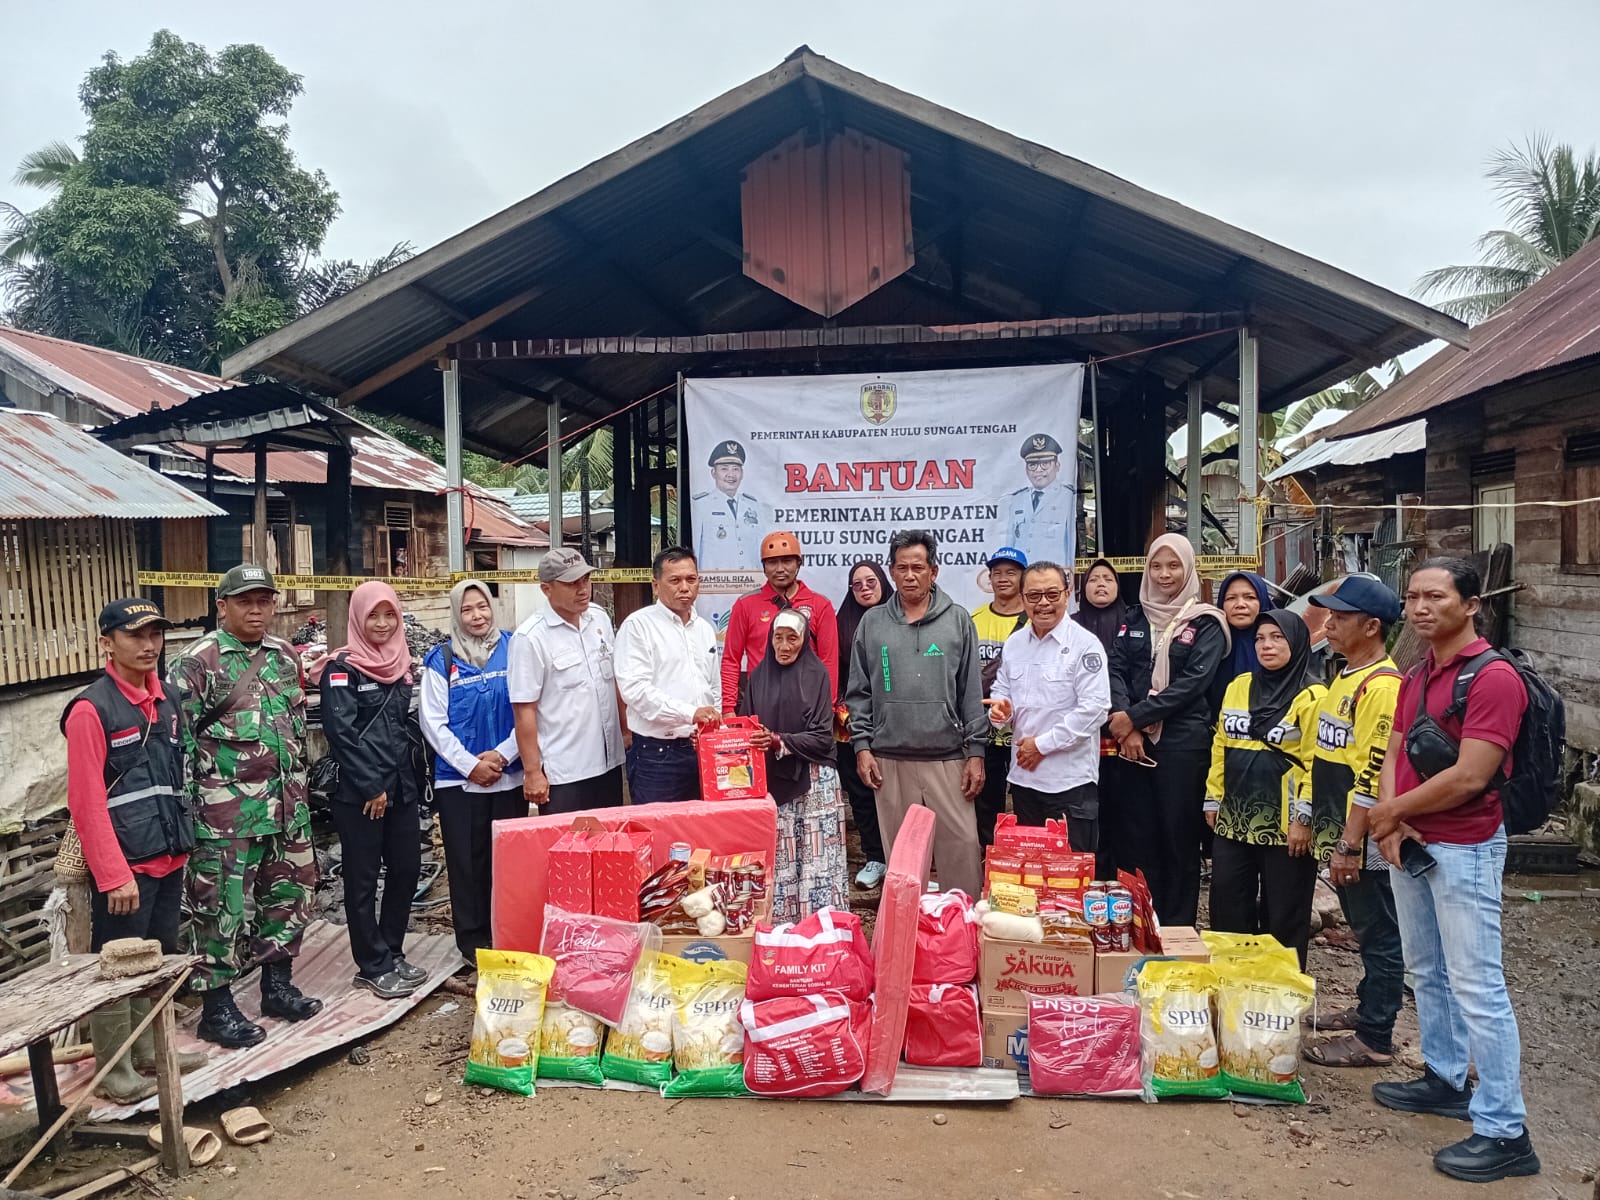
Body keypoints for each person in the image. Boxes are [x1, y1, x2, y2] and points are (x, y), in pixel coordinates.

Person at [1367, 558, 1540, 1183]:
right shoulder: (1418, 673)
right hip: (1413, 842)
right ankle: (1444, 1077)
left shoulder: (1492, 679)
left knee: (1478, 986)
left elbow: (1473, 775)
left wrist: (1389, 813)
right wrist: (1394, 818)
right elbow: (1394, 747)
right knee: (1427, 971)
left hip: (1465, 847)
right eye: (1412, 596)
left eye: (1435, 596)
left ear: (1470, 604)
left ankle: (1505, 1129)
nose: (1419, 607)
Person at [170, 564, 321, 1049]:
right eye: (244, 601)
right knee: (221, 910)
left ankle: (276, 987)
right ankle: (216, 1008)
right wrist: (189, 813)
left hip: (286, 808)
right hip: (225, 816)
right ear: (222, 606)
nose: (257, 610)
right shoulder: (197, 662)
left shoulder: (282, 655)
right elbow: (180, 745)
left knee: (287, 899)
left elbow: (294, 728)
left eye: (264, 600)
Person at [64, 599, 206, 1101]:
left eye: (156, 634)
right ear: (108, 642)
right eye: (135, 635)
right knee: (118, 966)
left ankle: (149, 1051)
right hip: (126, 864)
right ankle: (114, 1070)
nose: (149, 645)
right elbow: (84, 802)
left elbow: (175, 777)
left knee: (159, 958)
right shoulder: (90, 710)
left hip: (169, 853)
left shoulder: (167, 698)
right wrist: (112, 873)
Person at [845, 530, 988, 898]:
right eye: (902, 567)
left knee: (962, 855)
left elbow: (971, 692)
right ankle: (909, 944)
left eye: (918, 567)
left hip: (949, 758)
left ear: (933, 571)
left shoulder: (957, 620)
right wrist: (862, 747)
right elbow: (858, 693)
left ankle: (962, 937)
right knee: (904, 868)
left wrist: (976, 753)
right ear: (891, 572)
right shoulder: (873, 623)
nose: (910, 575)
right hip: (890, 759)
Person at [1301, 575, 1406, 1071]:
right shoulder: (1344, 676)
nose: (1330, 623)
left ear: (1372, 626)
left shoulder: (1381, 687)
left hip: (1359, 839)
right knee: (1367, 928)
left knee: (1381, 934)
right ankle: (1367, 1010)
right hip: (1337, 831)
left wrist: (1350, 844)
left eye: (1341, 617)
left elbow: (1371, 772)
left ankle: (1376, 1037)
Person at [1107, 535, 1230, 925]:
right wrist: (1127, 727)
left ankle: (1177, 931)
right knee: (1137, 838)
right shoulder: (1134, 617)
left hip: (1182, 745)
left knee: (1178, 841)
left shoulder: (1207, 622)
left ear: (1188, 569)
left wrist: (1135, 718)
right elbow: (1116, 670)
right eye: (1157, 566)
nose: (1164, 574)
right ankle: (1142, 925)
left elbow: (1193, 683)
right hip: (1133, 745)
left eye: (1173, 566)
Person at [316, 582, 424, 999]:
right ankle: (371, 964)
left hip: (402, 789)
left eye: (389, 615)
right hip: (361, 795)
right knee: (361, 881)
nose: (381, 624)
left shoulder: (401, 664)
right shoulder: (342, 668)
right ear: (358, 619)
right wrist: (371, 786)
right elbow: (340, 734)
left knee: (406, 870)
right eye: (373, 616)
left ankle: (392, 951)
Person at [1204, 610, 1325, 969]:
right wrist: (1213, 797)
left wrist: (1305, 816)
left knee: (1284, 915)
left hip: (1287, 824)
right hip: (1235, 818)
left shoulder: (1313, 694)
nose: (1267, 645)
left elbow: (1318, 762)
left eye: (1277, 638)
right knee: (1227, 904)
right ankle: (1232, 986)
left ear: (1297, 643)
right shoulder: (1239, 685)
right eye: (1260, 638)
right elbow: (1221, 744)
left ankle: (1278, 997)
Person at [421, 579, 526, 968]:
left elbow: (530, 708)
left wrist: (500, 755)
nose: (477, 616)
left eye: (482, 606)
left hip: (509, 776)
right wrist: (471, 765)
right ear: (455, 614)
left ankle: (509, 934)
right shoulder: (441, 659)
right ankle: (474, 945)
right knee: (466, 865)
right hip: (458, 783)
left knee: (508, 864)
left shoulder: (516, 648)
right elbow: (433, 723)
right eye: (467, 610)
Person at [986, 562, 1110, 852]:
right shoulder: (1015, 643)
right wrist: (1001, 712)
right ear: (1023, 598)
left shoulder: (1085, 645)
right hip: (1024, 780)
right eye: (1034, 596)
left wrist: (1041, 745)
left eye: (1052, 594)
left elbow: (1095, 708)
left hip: (1069, 783)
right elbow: (1002, 690)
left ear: (1067, 595)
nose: (1043, 603)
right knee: (1030, 875)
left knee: (1069, 878)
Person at [738, 611, 850, 921]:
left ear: (803, 642)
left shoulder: (816, 675)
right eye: (778, 637)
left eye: (793, 638)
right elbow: (748, 728)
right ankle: (784, 933)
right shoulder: (758, 677)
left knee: (817, 863)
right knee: (782, 859)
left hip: (815, 783)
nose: (784, 646)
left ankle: (822, 931)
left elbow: (821, 739)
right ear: (769, 638)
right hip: (774, 783)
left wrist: (777, 740)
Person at [509, 548, 627, 812]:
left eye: (585, 580)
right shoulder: (530, 638)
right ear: (546, 589)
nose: (583, 589)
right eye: (572, 583)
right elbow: (523, 710)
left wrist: (626, 730)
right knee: (569, 848)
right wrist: (532, 772)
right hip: (565, 772)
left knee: (612, 845)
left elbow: (614, 681)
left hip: (609, 762)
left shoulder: (599, 618)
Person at [615, 547, 722, 803]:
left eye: (691, 579)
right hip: (657, 755)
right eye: (675, 580)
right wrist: (690, 714)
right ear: (655, 585)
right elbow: (635, 691)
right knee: (660, 834)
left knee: (702, 833)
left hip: (702, 750)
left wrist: (711, 727)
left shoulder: (705, 629)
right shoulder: (638, 627)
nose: (684, 587)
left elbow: (712, 688)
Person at [720, 531, 840, 713]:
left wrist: (827, 707)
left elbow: (829, 661)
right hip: (760, 703)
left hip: (807, 704)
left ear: (799, 563)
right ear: (763, 566)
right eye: (772, 562)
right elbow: (731, 659)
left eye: (787, 561)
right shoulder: (745, 605)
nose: (780, 568)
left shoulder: (820, 605)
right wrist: (728, 708)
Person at [834, 559, 893, 889]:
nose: (865, 588)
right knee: (861, 792)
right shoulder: (842, 622)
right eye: (857, 584)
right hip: (851, 723)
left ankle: (903, 857)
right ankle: (874, 856)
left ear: (884, 582)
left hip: (895, 722)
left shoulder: (902, 617)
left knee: (898, 792)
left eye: (871, 581)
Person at [970, 547, 1030, 847]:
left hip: (1024, 732)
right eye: (997, 572)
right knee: (985, 806)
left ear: (1024, 577)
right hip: (986, 732)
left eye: (1011, 572)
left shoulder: (1036, 621)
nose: (1003, 578)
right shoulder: (973, 619)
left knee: (1027, 807)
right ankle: (988, 863)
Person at [1074, 557, 1130, 878]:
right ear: (1083, 588)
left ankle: (1116, 879)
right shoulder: (1071, 624)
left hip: (1122, 737)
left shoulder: (1131, 622)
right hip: (1081, 738)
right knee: (1085, 812)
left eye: (1108, 579)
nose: (1101, 584)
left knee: (1118, 811)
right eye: (1094, 579)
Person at [989, 433, 1075, 567]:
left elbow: (1071, 543)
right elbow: (1010, 542)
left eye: (1045, 464)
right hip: (1024, 576)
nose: (1038, 470)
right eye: (1032, 465)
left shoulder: (1067, 497)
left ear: (1057, 466)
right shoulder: (1017, 499)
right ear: (1026, 469)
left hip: (1052, 577)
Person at [691, 439, 770, 570]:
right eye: (724, 469)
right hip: (716, 586)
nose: (731, 475)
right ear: (713, 473)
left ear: (742, 473)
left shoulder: (753, 506)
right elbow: (695, 550)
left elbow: (760, 549)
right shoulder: (701, 505)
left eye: (735, 469)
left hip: (751, 584)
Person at [1209, 571, 1276, 711]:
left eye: (1250, 597)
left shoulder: (1284, 640)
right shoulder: (1209, 641)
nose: (1240, 604)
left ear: (1262, 600)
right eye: (1231, 598)